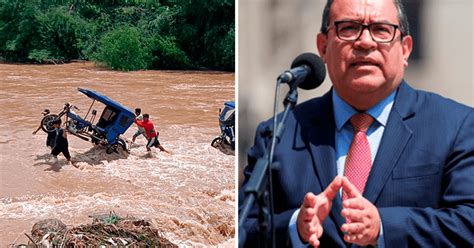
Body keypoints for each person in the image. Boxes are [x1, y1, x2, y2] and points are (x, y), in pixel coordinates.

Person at [239, 0, 473, 247]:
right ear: (323, 46)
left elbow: (468, 223)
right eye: (348, 28)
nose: (365, 42)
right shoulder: (279, 133)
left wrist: (383, 227)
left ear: (404, 49)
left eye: (381, 30)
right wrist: (296, 227)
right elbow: (242, 229)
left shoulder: (457, 126)